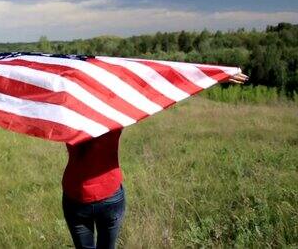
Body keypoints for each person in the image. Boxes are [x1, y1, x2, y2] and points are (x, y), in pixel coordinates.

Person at [60, 72, 248, 249]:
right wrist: (213, 77)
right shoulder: (114, 114)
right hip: (110, 194)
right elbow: (155, 84)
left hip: (75, 195)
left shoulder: (65, 115)